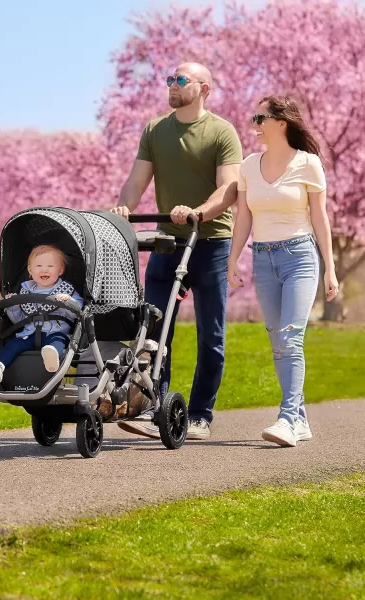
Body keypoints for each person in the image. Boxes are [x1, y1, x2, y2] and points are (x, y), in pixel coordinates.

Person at [112, 62, 242, 440]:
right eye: (169, 79)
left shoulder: (221, 132)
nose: (171, 85)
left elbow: (229, 188)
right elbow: (136, 180)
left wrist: (200, 212)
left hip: (211, 241)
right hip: (169, 242)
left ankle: (200, 414)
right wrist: (124, 207)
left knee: (211, 336)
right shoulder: (155, 129)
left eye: (180, 80)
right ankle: (156, 406)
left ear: (203, 88)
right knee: (153, 329)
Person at [227, 95, 338, 447]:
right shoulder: (248, 165)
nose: (254, 125)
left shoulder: (308, 164)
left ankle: (287, 419)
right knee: (278, 343)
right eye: (253, 118)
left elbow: (320, 219)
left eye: (260, 118)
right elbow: (244, 216)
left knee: (291, 337)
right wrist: (233, 259)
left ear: (281, 122)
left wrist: (330, 269)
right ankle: (300, 418)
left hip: (300, 257)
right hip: (263, 258)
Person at [0, 244, 83, 384]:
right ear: (30, 270)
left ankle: (52, 359)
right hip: (29, 333)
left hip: (55, 331)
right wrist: (15, 306)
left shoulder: (66, 290)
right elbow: (19, 319)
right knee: (12, 345)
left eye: (50, 266)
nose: (44, 270)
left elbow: (77, 312)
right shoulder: (25, 291)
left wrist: (69, 301)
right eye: (39, 266)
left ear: (60, 270)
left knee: (57, 343)